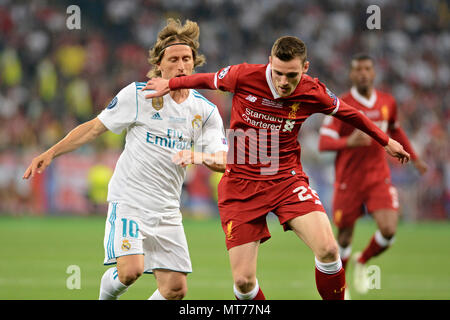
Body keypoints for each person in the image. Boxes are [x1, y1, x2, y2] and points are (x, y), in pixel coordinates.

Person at [142, 36, 411, 300]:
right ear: (270, 62)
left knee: (329, 249)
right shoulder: (244, 75)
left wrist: (385, 141)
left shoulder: (312, 91)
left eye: (291, 75)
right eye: (279, 73)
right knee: (244, 283)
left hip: (285, 179)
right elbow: (205, 79)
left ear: (305, 68)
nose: (284, 82)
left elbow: (350, 113)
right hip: (240, 183)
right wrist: (171, 83)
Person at [22, 19, 228, 300]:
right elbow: (94, 127)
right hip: (130, 200)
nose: (181, 65)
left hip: (167, 209)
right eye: (174, 59)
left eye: (187, 59)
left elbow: (222, 160)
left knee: (175, 290)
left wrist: (198, 155)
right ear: (160, 64)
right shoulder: (138, 95)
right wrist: (51, 152)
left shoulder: (205, 111)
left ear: (195, 64)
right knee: (131, 270)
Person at [318, 53, 427, 295]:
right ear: (351, 74)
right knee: (343, 238)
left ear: (374, 73)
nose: (363, 73)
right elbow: (324, 143)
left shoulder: (388, 102)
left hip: (378, 177)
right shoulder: (340, 103)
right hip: (348, 181)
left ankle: (363, 259)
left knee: (389, 230)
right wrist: (349, 142)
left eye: (367, 69)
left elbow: (395, 129)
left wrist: (415, 158)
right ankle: (341, 286)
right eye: (358, 69)